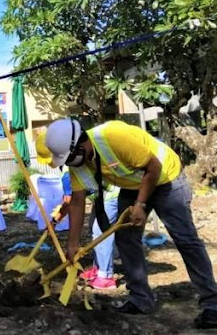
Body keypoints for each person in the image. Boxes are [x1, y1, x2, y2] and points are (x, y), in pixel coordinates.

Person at [46, 118, 217, 329]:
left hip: (166, 178)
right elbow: (77, 203)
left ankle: (212, 304)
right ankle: (141, 299)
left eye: (70, 158)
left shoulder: (114, 137)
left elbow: (153, 166)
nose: (70, 164)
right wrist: (72, 243)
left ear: (80, 145)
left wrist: (140, 204)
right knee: (125, 239)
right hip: (133, 184)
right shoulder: (78, 164)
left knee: (186, 240)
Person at [36, 130, 118, 289]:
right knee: (94, 228)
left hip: (112, 193)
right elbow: (72, 202)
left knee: (101, 231)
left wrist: (55, 220)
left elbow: (70, 203)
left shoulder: (68, 175)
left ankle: (106, 276)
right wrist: (55, 220)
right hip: (101, 196)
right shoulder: (72, 166)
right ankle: (98, 267)